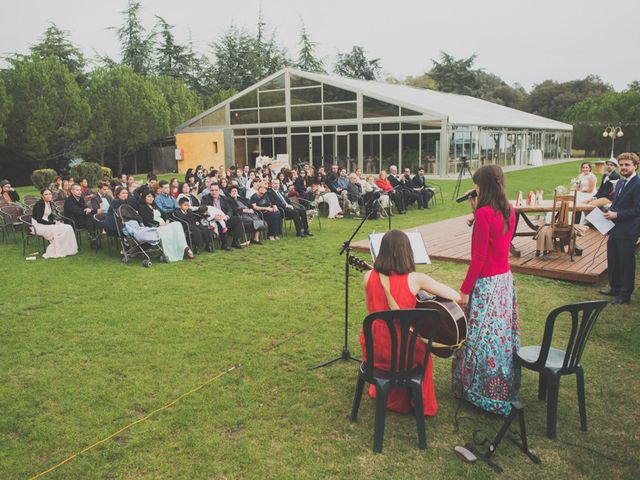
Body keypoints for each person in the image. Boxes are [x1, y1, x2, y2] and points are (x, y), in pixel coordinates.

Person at [361, 229, 460, 416]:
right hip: (402, 357)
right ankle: (419, 403)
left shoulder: (368, 277)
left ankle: (388, 394)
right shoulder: (415, 279)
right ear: (407, 252)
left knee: (401, 343)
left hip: (374, 351)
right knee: (422, 348)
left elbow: (370, 311)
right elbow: (454, 296)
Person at [452, 164, 520, 416]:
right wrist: (476, 210)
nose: (475, 189)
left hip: (487, 283)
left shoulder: (483, 215)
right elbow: (500, 241)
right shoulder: (509, 209)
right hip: (504, 281)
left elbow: (479, 258)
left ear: (484, 186)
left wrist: (465, 290)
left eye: (477, 184)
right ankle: (502, 389)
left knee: (480, 338)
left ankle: (480, 391)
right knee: (500, 337)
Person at [601, 152, 640, 305]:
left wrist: (617, 214)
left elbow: (638, 209)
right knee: (614, 258)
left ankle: (625, 293)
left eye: (627, 165)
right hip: (615, 228)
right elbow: (618, 203)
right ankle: (615, 287)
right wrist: (608, 210)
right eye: (621, 165)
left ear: (635, 166)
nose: (623, 167)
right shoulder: (621, 182)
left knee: (626, 262)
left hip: (629, 229)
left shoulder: (638, 183)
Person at [136, 190, 195, 261]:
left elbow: (164, 214)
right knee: (167, 231)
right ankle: (180, 250)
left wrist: (167, 220)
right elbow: (146, 220)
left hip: (165, 224)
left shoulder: (154, 205)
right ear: (144, 197)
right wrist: (159, 224)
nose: (151, 198)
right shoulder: (141, 207)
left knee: (177, 224)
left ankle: (185, 247)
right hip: (155, 226)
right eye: (148, 196)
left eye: (152, 197)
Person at [31, 188, 78, 258]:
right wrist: (52, 223)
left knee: (68, 227)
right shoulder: (40, 204)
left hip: (46, 223)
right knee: (56, 230)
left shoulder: (49, 202)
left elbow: (49, 215)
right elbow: (39, 220)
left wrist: (55, 220)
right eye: (46, 194)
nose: (48, 196)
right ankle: (58, 250)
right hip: (38, 225)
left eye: (50, 194)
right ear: (42, 196)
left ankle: (67, 249)